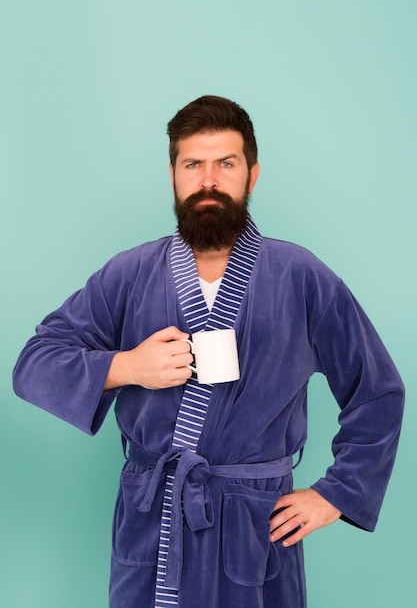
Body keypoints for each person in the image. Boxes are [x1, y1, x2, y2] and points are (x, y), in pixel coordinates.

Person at [13, 95, 405, 608]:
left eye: (226, 163)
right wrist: (125, 366)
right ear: (173, 174)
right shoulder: (129, 275)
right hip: (154, 521)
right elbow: (33, 363)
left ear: (252, 175)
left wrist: (337, 493)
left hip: (255, 524)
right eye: (192, 164)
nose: (208, 180)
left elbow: (377, 390)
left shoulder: (300, 276)